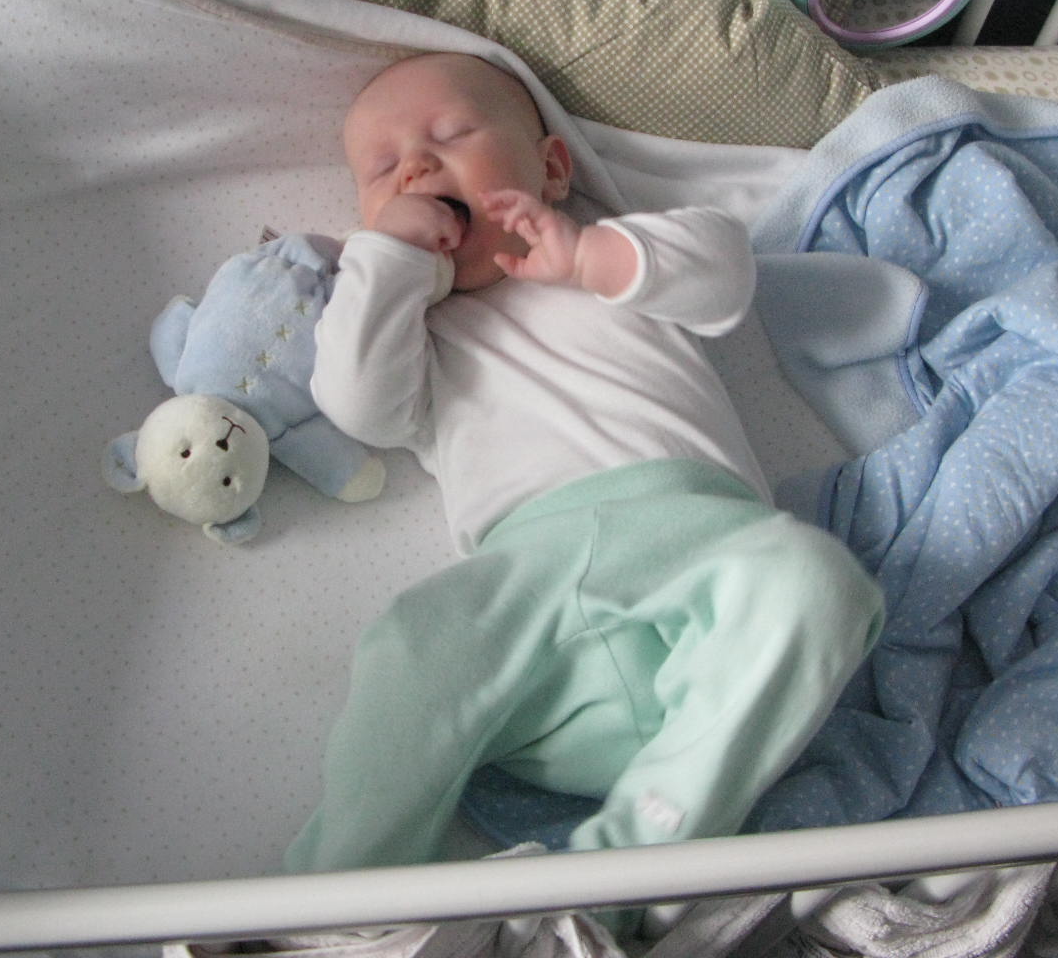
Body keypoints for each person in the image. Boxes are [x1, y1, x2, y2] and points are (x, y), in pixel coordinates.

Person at [284, 51, 883, 875]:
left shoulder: (616, 267)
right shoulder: (417, 337)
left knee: (817, 580)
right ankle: (346, 890)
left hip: (698, 559)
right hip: (530, 601)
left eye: (450, 134)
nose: (416, 167)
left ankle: (634, 863)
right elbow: (356, 403)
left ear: (553, 168)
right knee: (410, 647)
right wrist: (386, 261)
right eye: (382, 169)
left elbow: (722, 268)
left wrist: (588, 256)